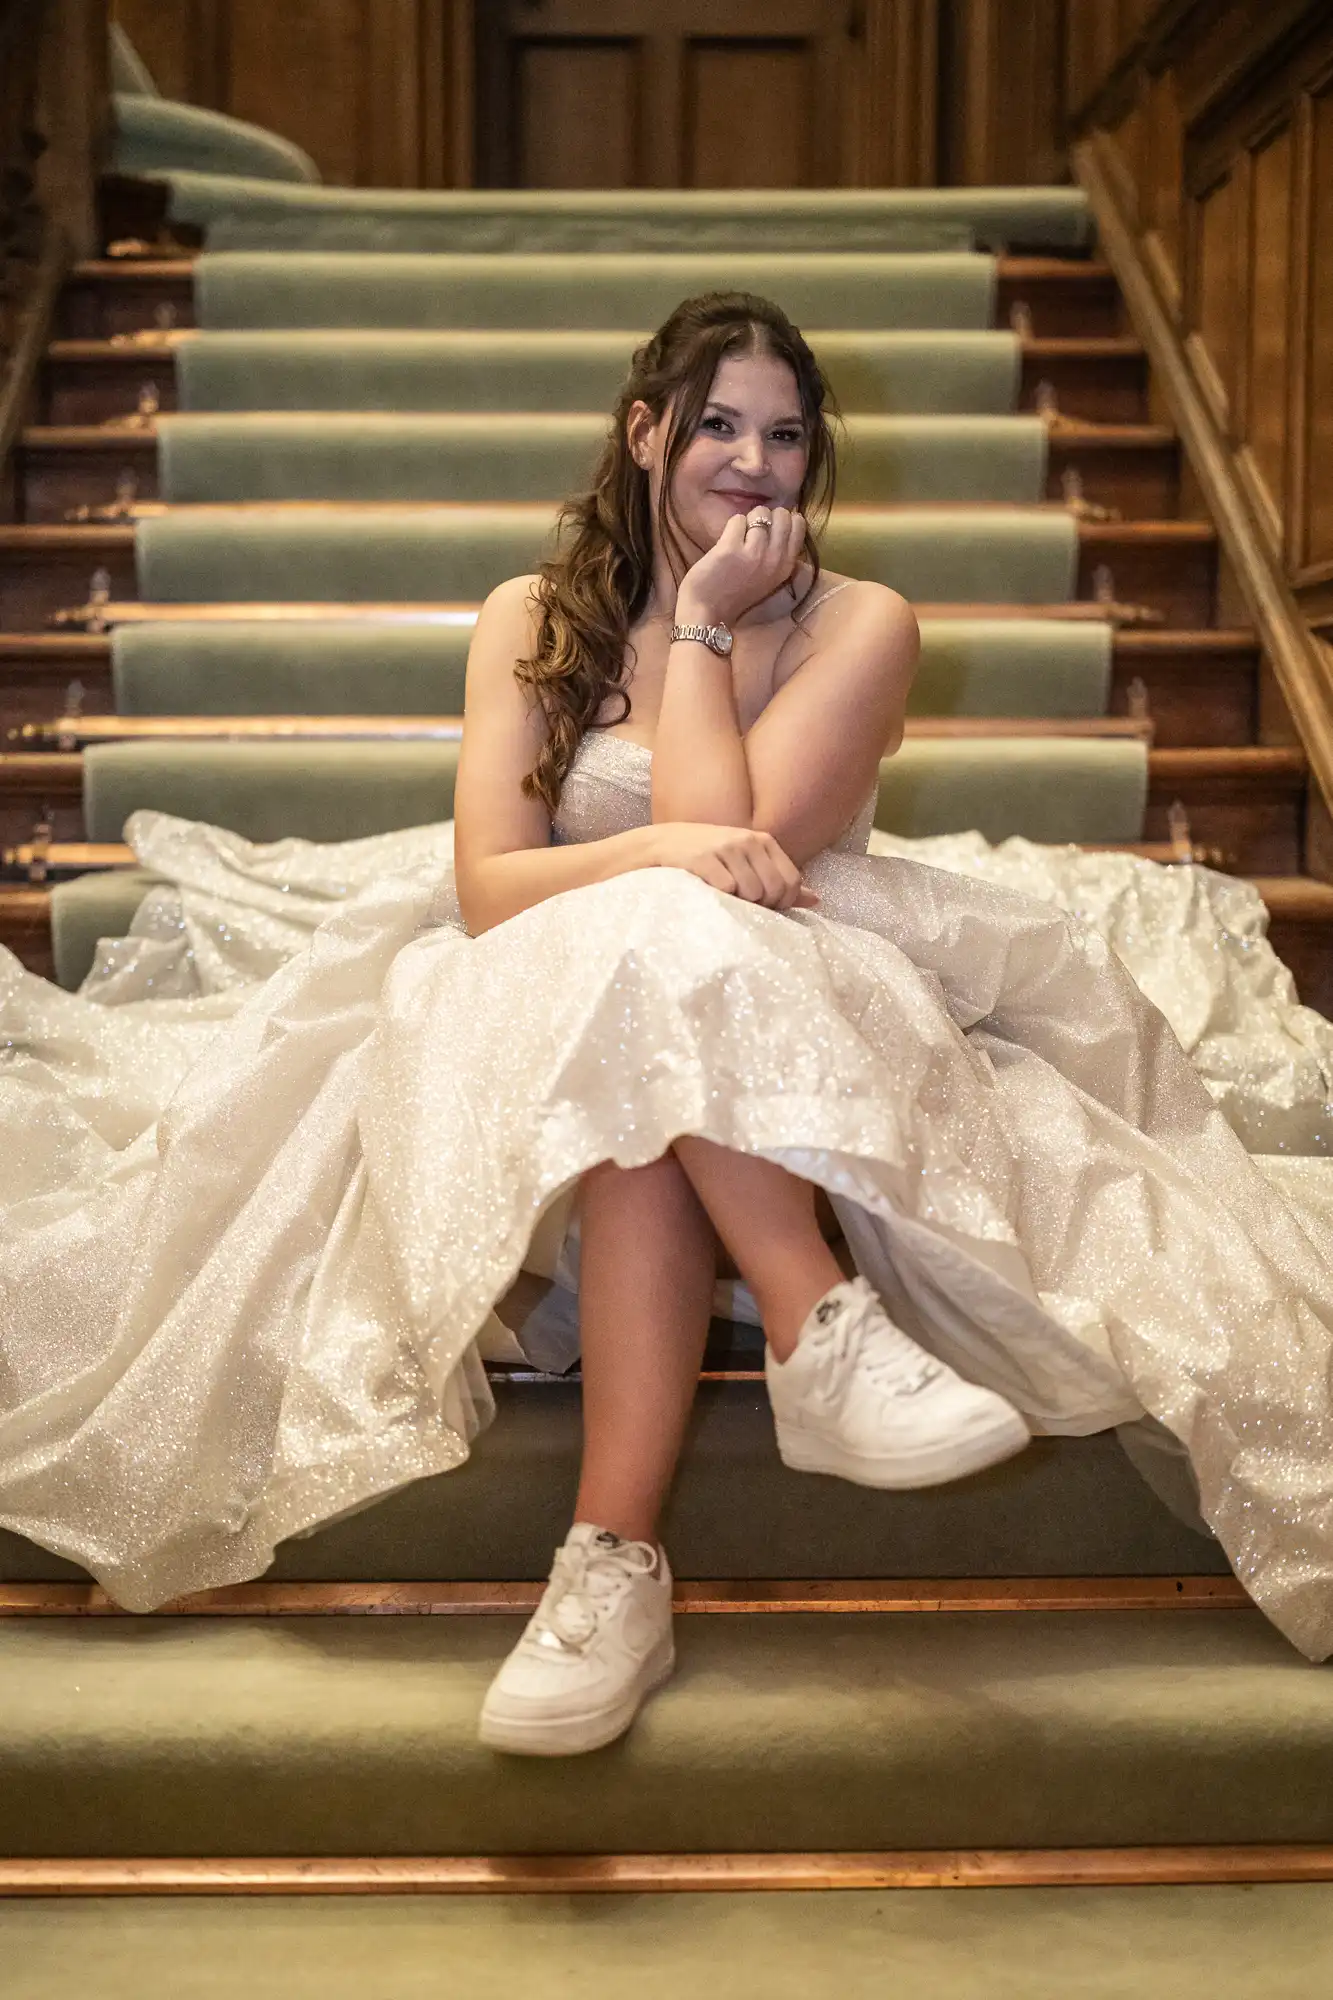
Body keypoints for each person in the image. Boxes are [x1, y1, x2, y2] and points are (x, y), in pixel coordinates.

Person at [4, 293, 1333, 1757]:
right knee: (638, 1006)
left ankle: (617, 1558)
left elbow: (744, 863)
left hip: (807, 1058)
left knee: (663, 1013)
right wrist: (644, 835)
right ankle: (807, 1329)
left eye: (785, 435)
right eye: (718, 426)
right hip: (554, 1054)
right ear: (646, 435)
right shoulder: (532, 618)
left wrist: (704, 634)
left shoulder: (862, 627)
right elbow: (498, 887)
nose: (755, 464)